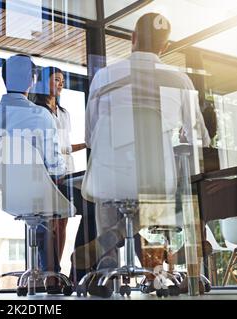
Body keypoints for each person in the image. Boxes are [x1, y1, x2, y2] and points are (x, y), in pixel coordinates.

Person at [75, 12, 211, 294]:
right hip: (157, 182)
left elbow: (91, 139)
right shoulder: (179, 80)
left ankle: (108, 261)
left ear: (133, 39)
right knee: (168, 188)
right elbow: (200, 138)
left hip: (109, 181)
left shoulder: (103, 77)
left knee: (107, 187)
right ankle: (168, 262)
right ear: (164, 46)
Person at [0, 55, 67, 290]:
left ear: (4, 78)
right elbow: (55, 165)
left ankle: (46, 273)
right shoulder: (41, 116)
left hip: (5, 196)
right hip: (39, 194)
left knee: (45, 200)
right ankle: (52, 274)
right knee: (59, 198)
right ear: (32, 80)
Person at [30, 66, 96, 283]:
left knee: (64, 222)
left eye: (62, 81)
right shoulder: (36, 111)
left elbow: (65, 146)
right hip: (48, 174)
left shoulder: (64, 113)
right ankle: (51, 273)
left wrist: (88, 143)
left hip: (66, 171)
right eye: (56, 80)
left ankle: (60, 273)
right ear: (42, 83)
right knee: (51, 223)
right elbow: (43, 146)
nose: (61, 84)